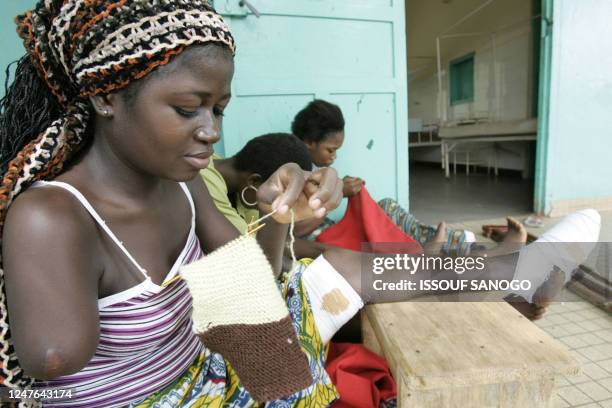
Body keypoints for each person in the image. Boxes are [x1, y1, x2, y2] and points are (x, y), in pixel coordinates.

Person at [0, 1, 599, 407]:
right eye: (189, 109)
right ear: (107, 98)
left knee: (339, 268)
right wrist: (205, 286)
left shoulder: (179, 185)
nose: (210, 130)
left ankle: (511, 274)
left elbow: (254, 280)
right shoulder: (52, 216)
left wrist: (277, 217)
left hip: (214, 365)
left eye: (219, 110)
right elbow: (53, 360)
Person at [291, 99, 479, 256]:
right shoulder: (292, 170)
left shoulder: (315, 167)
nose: (334, 157)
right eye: (330, 150)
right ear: (309, 142)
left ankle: (449, 242)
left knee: (387, 207)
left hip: (333, 229)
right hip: (319, 239)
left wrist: (341, 188)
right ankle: (438, 248)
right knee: (369, 236)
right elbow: (295, 230)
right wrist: (339, 191)